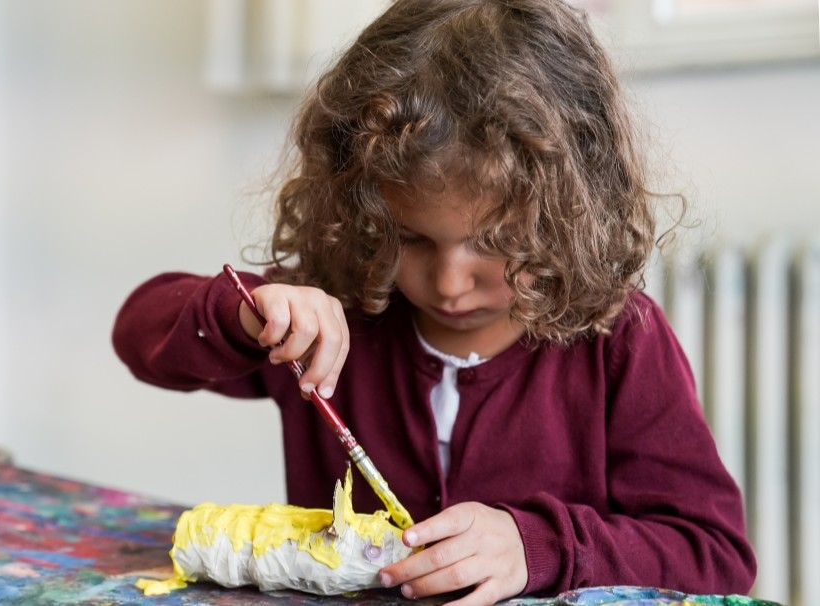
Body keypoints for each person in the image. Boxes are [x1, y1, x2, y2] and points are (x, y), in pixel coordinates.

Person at [112, 0, 756, 603]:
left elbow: (714, 555)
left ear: (570, 215)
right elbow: (139, 334)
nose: (449, 283)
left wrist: (538, 548)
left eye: (497, 243)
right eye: (410, 238)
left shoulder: (620, 341)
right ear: (361, 209)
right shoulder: (340, 307)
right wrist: (244, 313)